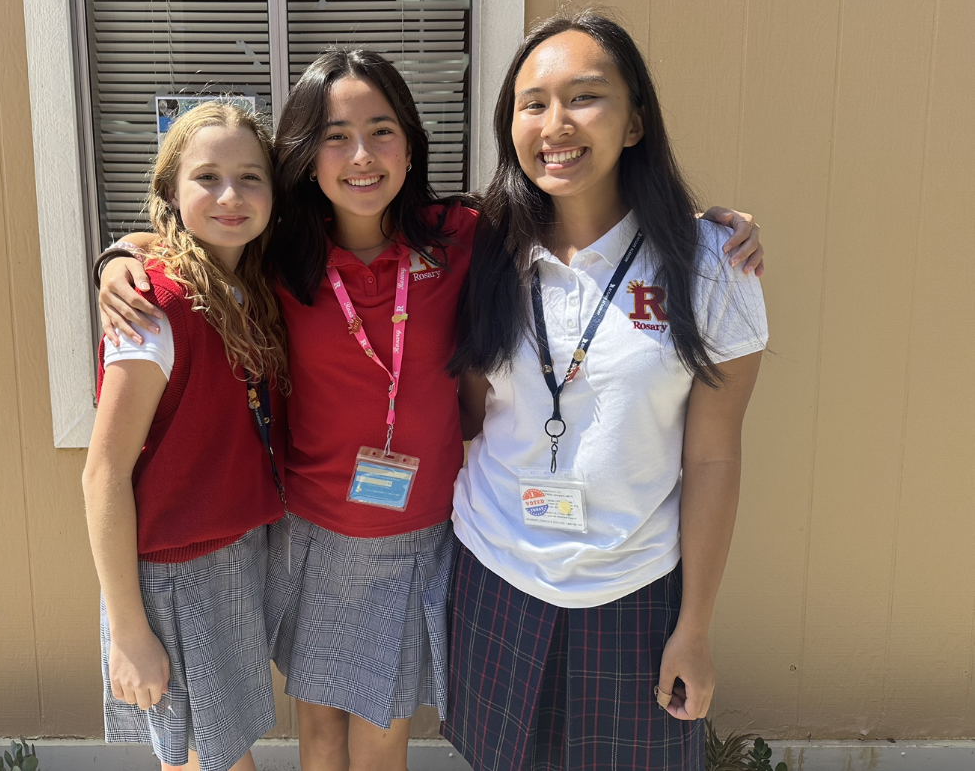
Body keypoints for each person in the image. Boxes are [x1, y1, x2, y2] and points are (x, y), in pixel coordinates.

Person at [95, 51, 765, 771]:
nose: (360, 156)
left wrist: (698, 226)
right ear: (305, 156)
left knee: (382, 736)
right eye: (333, 135)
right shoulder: (281, 255)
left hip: (416, 536)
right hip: (311, 530)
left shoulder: (464, 235)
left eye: (381, 130)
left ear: (411, 144)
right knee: (318, 736)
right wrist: (118, 253)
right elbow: (195, 242)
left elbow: (577, 213)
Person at [444, 11, 768, 771]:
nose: (555, 124)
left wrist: (693, 626)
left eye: (584, 97)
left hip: (635, 591)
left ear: (634, 123)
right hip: (495, 573)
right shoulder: (476, 248)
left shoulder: (710, 263)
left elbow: (715, 459)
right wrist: (124, 254)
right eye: (532, 103)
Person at [82, 101, 289, 771]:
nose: (231, 195)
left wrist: (119, 250)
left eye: (251, 177)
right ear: (170, 191)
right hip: (175, 576)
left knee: (209, 753)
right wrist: (129, 634)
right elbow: (103, 474)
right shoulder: (154, 308)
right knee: (210, 759)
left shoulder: (245, 287)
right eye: (207, 177)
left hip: (233, 552)